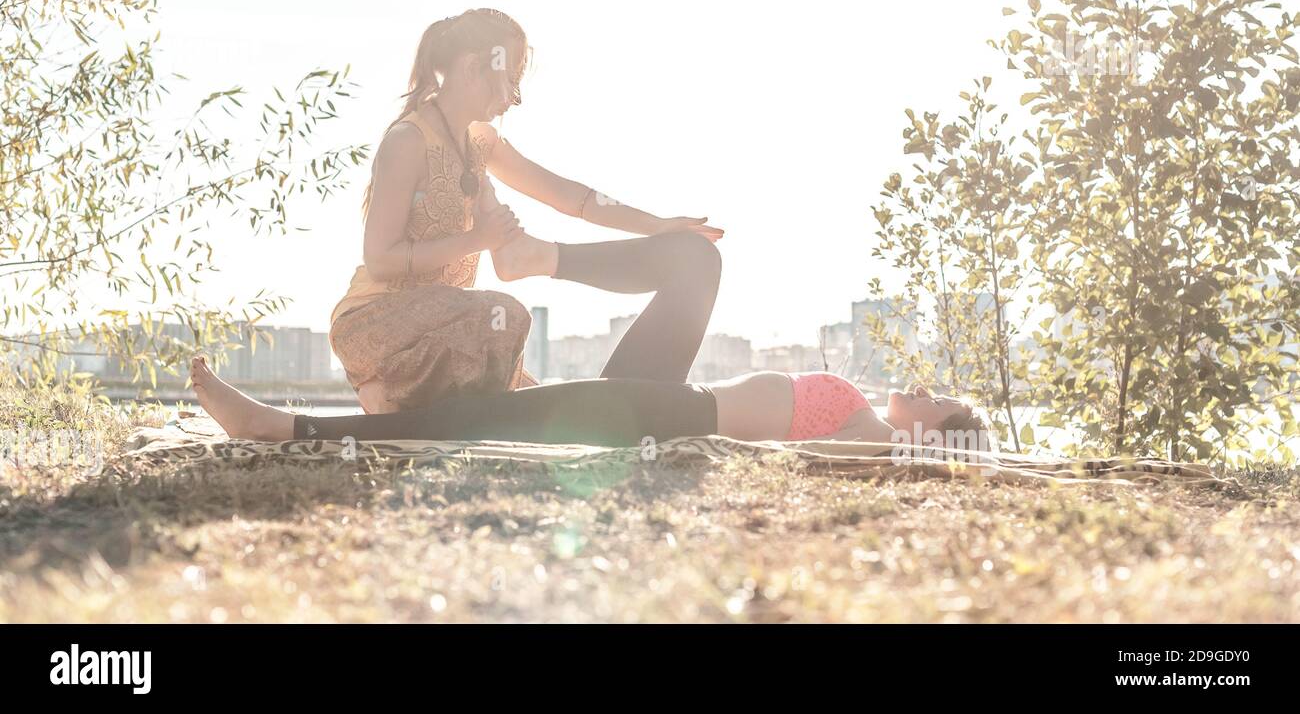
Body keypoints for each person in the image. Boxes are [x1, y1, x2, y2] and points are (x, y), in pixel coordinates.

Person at [329, 8, 724, 414]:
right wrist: (475, 241)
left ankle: (401, 401)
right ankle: (387, 392)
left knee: (546, 409)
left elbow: (571, 197)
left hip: (452, 329)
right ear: (471, 68)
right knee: (506, 316)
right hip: (376, 321)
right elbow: (379, 260)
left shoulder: (479, 142)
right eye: (511, 77)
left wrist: (654, 225)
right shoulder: (407, 140)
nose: (514, 95)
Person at [188, 355, 996, 452]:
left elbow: (856, 460)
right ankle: (285, 422)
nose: (923, 389)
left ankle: (279, 425)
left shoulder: (866, 436)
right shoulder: (864, 413)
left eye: (940, 401)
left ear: (938, 438)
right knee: (478, 413)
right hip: (666, 399)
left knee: (471, 420)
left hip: (666, 412)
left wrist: (933, 459)